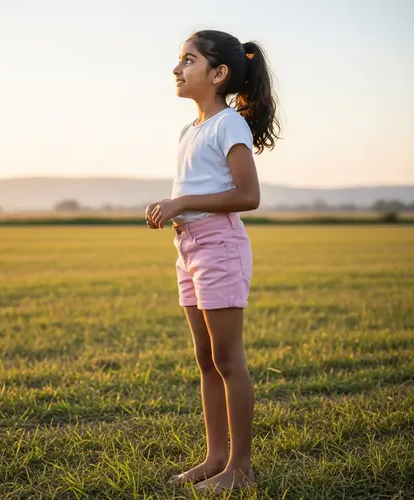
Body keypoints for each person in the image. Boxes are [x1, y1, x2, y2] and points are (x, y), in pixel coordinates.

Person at [145, 30, 280, 493]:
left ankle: (240, 467)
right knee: (205, 359)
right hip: (188, 250)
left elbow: (249, 195)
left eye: (189, 59)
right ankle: (215, 456)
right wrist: (174, 209)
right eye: (179, 60)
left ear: (218, 74)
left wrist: (182, 204)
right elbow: (195, 192)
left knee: (227, 359)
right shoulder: (190, 129)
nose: (177, 68)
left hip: (219, 246)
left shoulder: (229, 124)